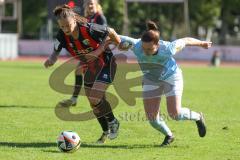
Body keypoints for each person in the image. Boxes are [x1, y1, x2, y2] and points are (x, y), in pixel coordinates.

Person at [118, 21, 211, 146]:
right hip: (151, 79)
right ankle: (169, 135)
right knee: (152, 118)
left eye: (149, 49)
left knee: (175, 113)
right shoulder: (136, 45)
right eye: (144, 48)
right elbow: (113, 35)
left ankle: (198, 117)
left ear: (157, 45)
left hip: (171, 77)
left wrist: (202, 43)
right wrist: (109, 41)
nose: (145, 52)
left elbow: (186, 40)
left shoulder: (168, 48)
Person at [44, 4, 120, 144]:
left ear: (74, 19)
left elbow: (111, 32)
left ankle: (113, 122)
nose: (66, 29)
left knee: (95, 97)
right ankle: (105, 131)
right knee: (93, 103)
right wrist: (51, 59)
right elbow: (56, 50)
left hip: (106, 64)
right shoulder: (62, 35)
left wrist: (99, 51)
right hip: (90, 68)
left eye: (68, 25)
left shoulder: (89, 28)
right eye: (62, 27)